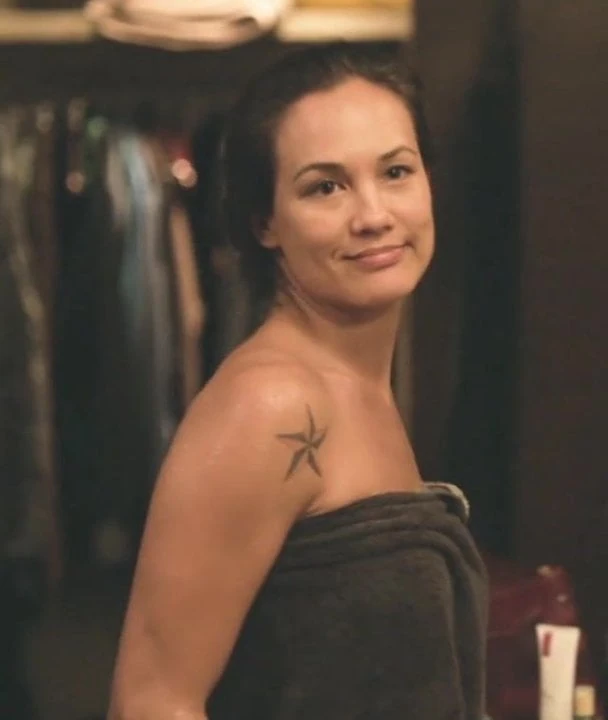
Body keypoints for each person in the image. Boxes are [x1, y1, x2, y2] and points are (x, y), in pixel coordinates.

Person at [107, 42, 488, 720]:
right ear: (265, 223)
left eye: (395, 171)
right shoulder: (270, 403)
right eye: (325, 187)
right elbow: (152, 701)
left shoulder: (359, 384)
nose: (373, 214)